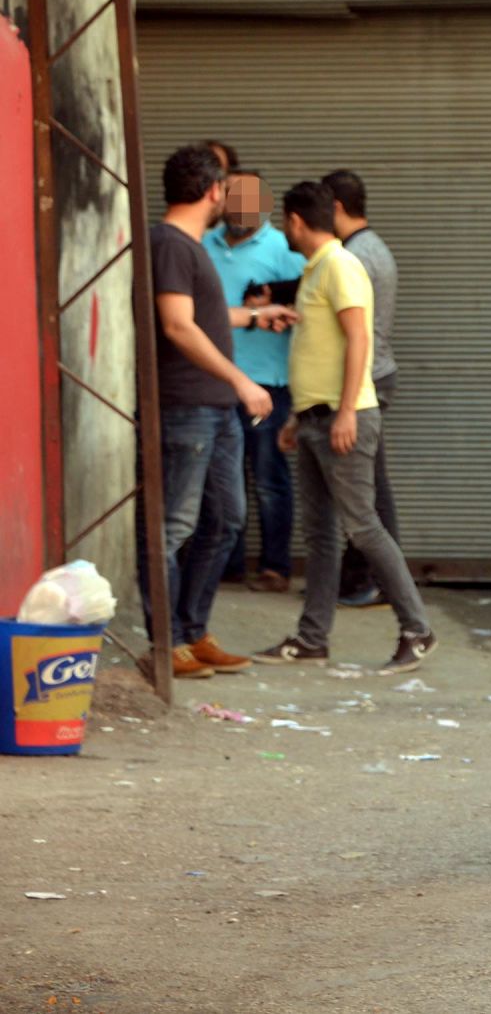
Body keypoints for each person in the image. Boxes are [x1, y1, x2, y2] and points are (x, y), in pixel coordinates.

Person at [255, 182, 439, 675]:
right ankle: (313, 638)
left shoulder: (339, 265)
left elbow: (359, 338)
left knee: (364, 526)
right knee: (319, 535)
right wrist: (298, 416)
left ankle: (417, 630)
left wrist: (347, 413)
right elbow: (323, 351)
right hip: (316, 417)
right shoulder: (317, 269)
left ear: (295, 221)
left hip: (344, 418)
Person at [137, 144, 295, 679]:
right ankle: (166, 644)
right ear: (212, 191)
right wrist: (241, 379)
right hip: (187, 407)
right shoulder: (170, 245)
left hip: (214, 408)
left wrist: (254, 316)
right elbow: (178, 325)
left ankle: (192, 632)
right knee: (172, 527)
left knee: (226, 520)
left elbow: (201, 313)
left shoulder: (190, 245)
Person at [203, 170, 305, 594]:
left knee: (268, 479)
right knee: (219, 479)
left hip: (268, 383)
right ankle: (225, 566)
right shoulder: (202, 244)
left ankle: (274, 567)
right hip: (213, 379)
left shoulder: (284, 249)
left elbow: (308, 302)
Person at [322, 170, 405, 610]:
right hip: (375, 373)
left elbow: (355, 332)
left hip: (366, 378)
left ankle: (373, 579)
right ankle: (368, 578)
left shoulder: (353, 256)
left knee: (365, 488)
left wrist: (348, 401)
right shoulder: (372, 248)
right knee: (371, 484)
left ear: (336, 207)